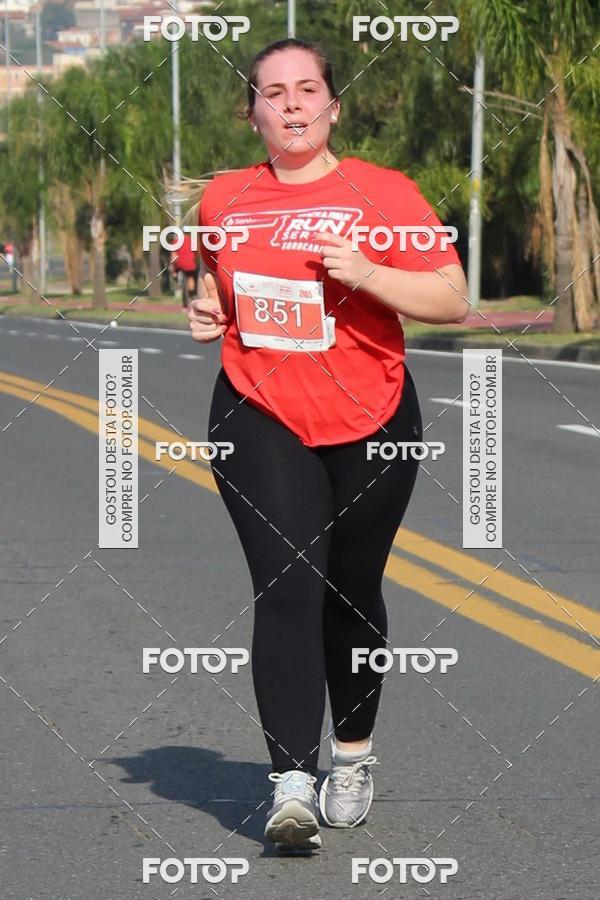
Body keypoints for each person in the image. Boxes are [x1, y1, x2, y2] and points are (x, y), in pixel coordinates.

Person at [187, 37, 468, 853]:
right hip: (259, 407)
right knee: (286, 586)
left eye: (307, 89)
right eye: (273, 93)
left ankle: (351, 756)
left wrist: (367, 274)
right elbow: (211, 280)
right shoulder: (225, 199)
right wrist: (208, 311)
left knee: (350, 589)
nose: (292, 105)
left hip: (374, 413)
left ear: (334, 105)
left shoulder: (383, 193)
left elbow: (451, 297)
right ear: (253, 114)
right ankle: (289, 786)